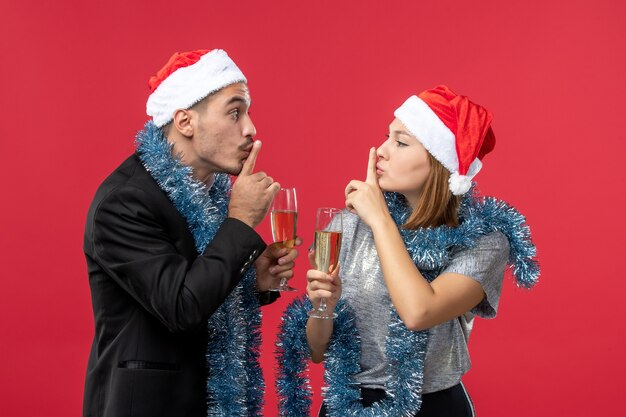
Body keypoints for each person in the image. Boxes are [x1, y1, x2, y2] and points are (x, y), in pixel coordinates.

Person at [276, 85, 539, 416]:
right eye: (387, 136)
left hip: (432, 406)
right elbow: (318, 350)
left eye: (400, 142)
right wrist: (322, 305)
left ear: (439, 162)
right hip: (348, 405)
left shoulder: (485, 240)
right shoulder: (346, 226)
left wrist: (380, 220)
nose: (381, 151)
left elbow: (419, 312)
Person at [83, 49, 299, 417]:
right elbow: (182, 307)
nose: (250, 128)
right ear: (185, 122)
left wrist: (252, 283)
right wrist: (241, 221)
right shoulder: (125, 202)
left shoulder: (209, 194)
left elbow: (201, 281)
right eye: (235, 112)